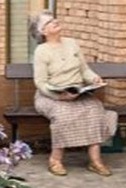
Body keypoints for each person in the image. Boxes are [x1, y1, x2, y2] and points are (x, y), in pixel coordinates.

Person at [31, 10, 118, 177]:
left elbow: (84, 70)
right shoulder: (41, 51)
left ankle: (95, 161)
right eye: (49, 22)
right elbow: (40, 83)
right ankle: (55, 160)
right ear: (43, 31)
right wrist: (59, 96)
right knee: (63, 115)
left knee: (94, 109)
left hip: (76, 93)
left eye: (54, 19)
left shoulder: (71, 43)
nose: (55, 21)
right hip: (50, 96)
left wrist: (94, 79)